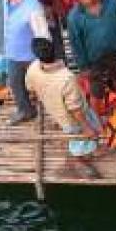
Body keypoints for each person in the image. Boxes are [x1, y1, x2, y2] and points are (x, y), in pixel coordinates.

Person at [25, 38, 103, 179]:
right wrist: (86, 128)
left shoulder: (33, 68)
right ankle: (79, 159)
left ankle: (83, 150)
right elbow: (76, 109)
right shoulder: (66, 78)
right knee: (80, 137)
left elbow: (30, 89)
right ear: (55, 51)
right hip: (72, 118)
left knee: (77, 129)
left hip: (55, 110)